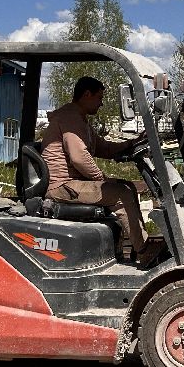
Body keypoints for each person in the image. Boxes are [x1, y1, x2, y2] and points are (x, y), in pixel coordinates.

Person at [41, 76, 161, 264]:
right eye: (99, 97)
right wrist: (102, 178)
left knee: (127, 186)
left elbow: (103, 148)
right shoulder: (70, 118)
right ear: (86, 94)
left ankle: (140, 245)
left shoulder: (79, 120)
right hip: (62, 186)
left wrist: (132, 143)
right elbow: (79, 158)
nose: (101, 103)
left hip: (71, 183)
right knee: (121, 192)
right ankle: (143, 251)